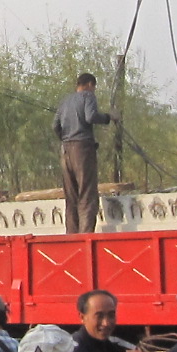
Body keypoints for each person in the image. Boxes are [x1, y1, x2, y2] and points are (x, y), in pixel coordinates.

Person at [53, 74, 114, 234]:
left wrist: (65, 139)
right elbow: (91, 116)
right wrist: (107, 118)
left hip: (65, 149)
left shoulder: (65, 101)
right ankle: (86, 237)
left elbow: (55, 125)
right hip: (82, 149)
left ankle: (71, 236)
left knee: (71, 196)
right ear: (90, 84)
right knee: (87, 194)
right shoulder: (88, 96)